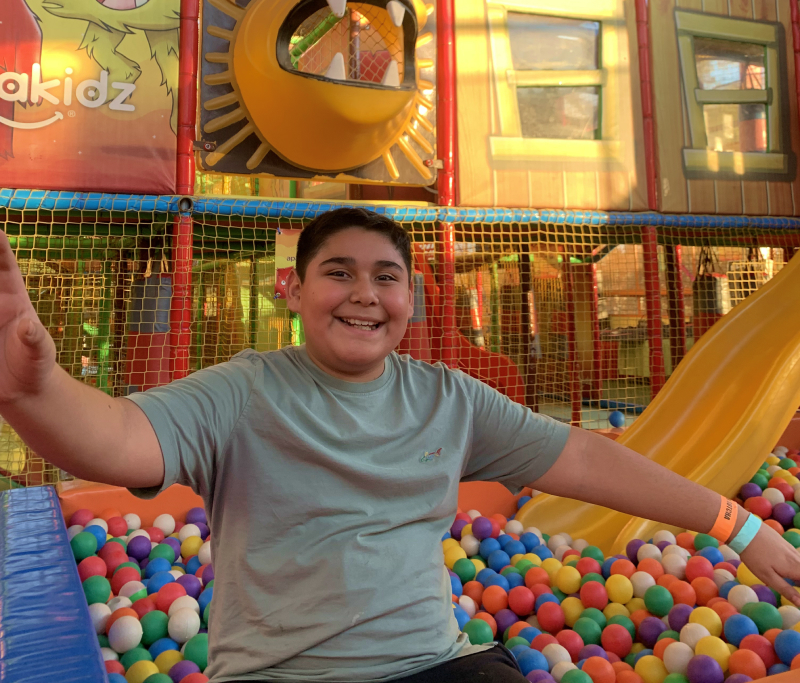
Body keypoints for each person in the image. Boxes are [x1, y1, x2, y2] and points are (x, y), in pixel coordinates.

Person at [0, 207, 798, 683]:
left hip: (432, 667)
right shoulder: (243, 393)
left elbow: (586, 458)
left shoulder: (449, 400)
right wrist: (32, 390)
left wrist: (737, 526)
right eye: (338, 273)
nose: (364, 294)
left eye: (385, 277)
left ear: (410, 298)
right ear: (294, 290)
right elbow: (117, 441)